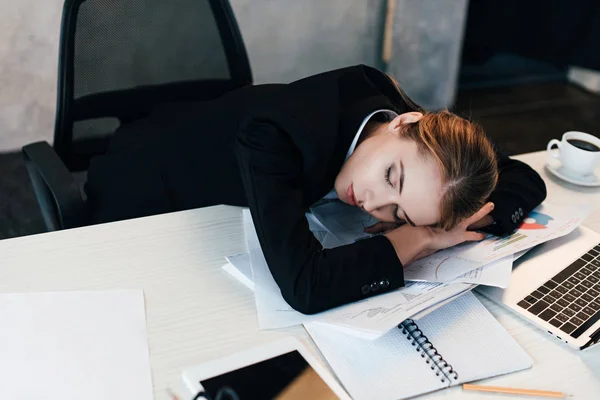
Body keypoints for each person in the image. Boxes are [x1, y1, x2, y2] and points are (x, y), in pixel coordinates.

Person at [85, 64, 546, 314]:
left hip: (218, 202)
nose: (372, 204)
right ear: (405, 123)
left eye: (399, 213)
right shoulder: (275, 135)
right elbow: (305, 289)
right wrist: (417, 237)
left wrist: (459, 216)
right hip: (148, 195)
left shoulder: (412, 137)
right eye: (391, 178)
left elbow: (524, 178)